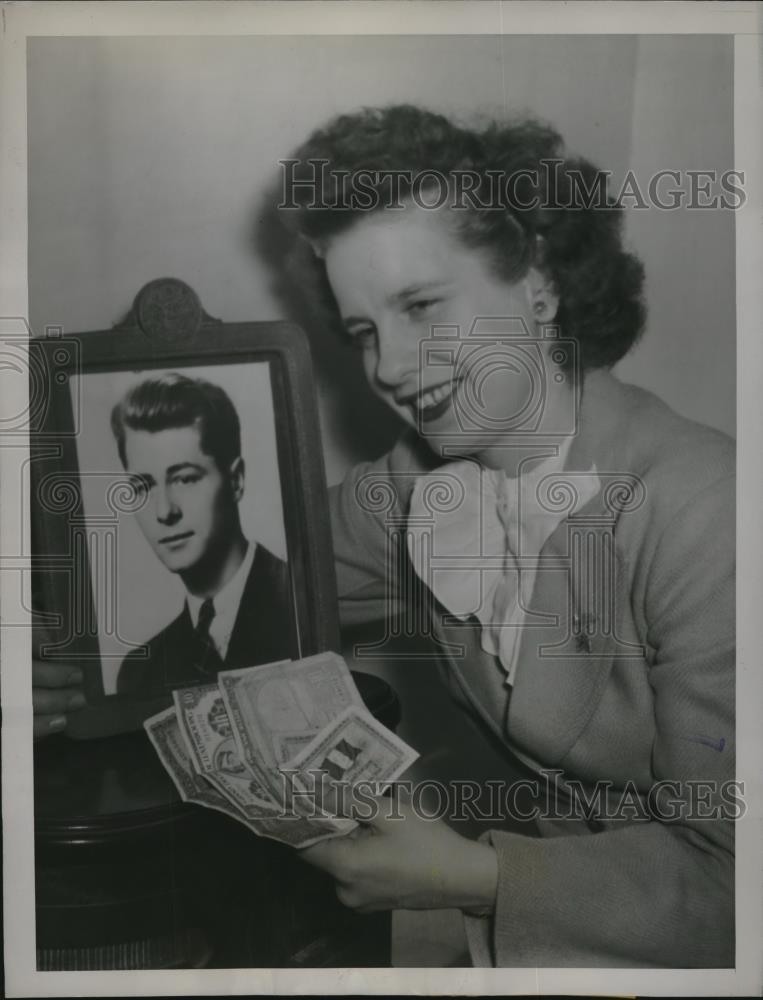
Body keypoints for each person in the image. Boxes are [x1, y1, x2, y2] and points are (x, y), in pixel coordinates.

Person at [278, 105, 735, 967]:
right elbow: (259, 577)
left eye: (421, 305)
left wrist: (471, 878)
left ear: (537, 282)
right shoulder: (419, 482)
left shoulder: (708, 511)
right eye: (364, 331)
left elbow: (737, 886)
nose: (388, 368)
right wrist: (47, 650)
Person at [110, 372, 296, 697]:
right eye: (143, 487)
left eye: (184, 479)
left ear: (236, 480)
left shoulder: (301, 604)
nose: (164, 511)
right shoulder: (139, 672)